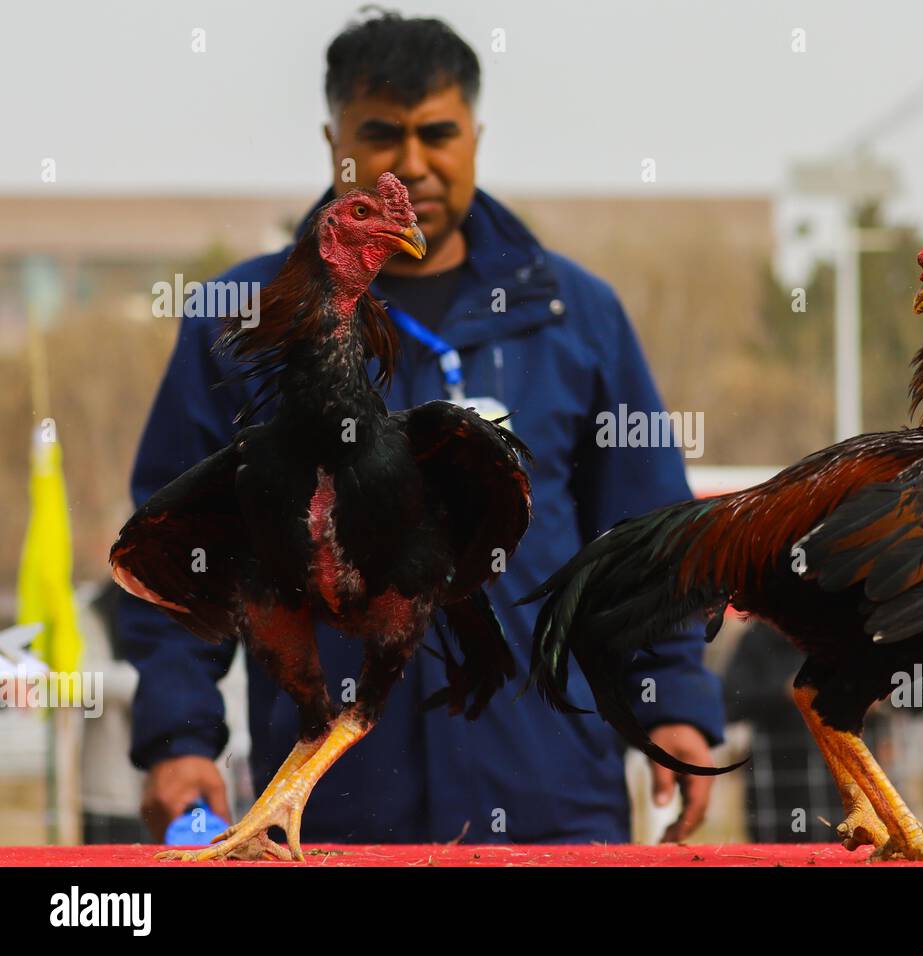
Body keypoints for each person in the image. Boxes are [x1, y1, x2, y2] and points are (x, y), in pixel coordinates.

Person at [118, 11, 724, 846]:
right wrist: (178, 741)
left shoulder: (575, 316)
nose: (413, 160)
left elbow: (647, 533)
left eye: (439, 133)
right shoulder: (241, 321)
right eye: (381, 133)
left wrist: (673, 700)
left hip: (552, 792)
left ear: (476, 134)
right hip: (329, 804)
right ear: (335, 139)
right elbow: (179, 544)